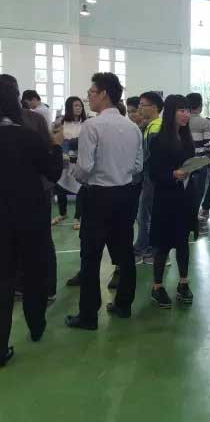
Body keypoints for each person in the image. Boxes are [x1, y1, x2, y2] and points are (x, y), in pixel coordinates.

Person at [65, 73, 143, 330]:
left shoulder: (92, 126)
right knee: (125, 253)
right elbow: (137, 166)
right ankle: (123, 305)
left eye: (91, 92)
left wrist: (75, 174)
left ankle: (88, 316)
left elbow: (84, 168)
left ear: (104, 94)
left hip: (98, 196)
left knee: (91, 256)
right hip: (125, 195)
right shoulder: (132, 127)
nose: (88, 96)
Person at [1, 78, 63, 366]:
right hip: (30, 214)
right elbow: (52, 173)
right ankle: (36, 326)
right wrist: (56, 147)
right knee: (33, 271)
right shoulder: (27, 136)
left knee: (3, 278)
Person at [148, 95, 196, 308]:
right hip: (166, 199)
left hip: (185, 198)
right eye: (181, 110)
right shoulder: (159, 140)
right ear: (170, 112)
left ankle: (183, 282)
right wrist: (172, 175)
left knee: (183, 242)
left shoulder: (186, 139)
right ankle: (157, 286)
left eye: (187, 110)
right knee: (163, 244)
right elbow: (154, 173)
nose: (186, 114)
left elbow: (190, 164)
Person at [133, 92, 163, 264]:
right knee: (145, 214)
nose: (139, 109)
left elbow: (150, 158)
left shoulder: (155, 128)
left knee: (146, 215)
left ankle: (149, 249)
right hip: (149, 178)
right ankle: (144, 246)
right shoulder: (151, 126)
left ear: (154, 107)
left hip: (151, 179)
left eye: (142, 105)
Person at [52, 97, 87, 229]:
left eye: (80, 106)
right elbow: (56, 139)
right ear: (69, 107)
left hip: (79, 161)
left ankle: (77, 217)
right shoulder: (62, 123)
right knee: (60, 187)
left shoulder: (86, 124)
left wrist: (72, 143)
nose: (78, 108)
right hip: (63, 160)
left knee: (80, 189)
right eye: (75, 106)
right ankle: (62, 213)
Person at [187, 93, 210, 231]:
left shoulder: (182, 120)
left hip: (185, 162)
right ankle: (193, 218)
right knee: (198, 192)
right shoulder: (204, 122)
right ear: (200, 106)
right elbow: (207, 145)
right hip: (200, 162)